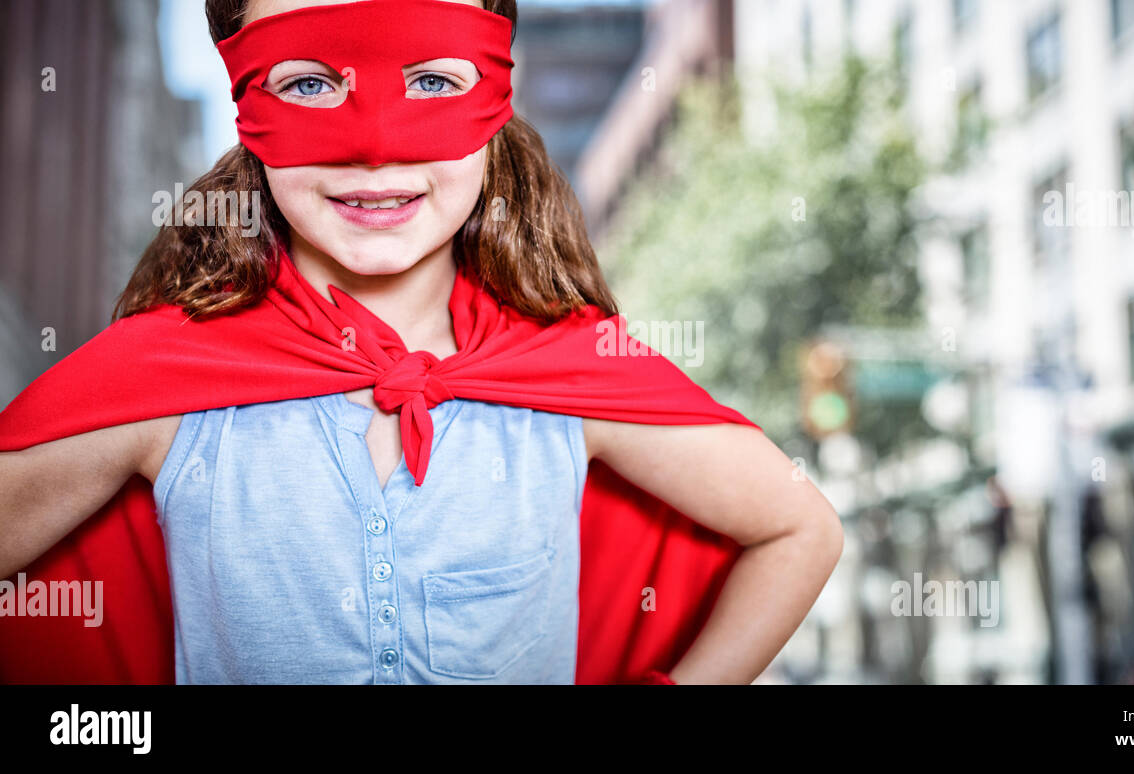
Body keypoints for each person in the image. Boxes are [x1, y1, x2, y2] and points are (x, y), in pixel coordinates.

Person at [0, 0, 843, 685]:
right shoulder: (164, 382)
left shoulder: (573, 373)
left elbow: (798, 530)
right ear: (246, 107)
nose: (375, 147)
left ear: (497, 97)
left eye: (433, 80)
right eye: (309, 85)